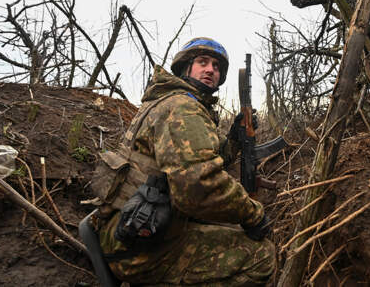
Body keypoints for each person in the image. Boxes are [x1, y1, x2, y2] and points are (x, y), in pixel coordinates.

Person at [94, 37, 275, 286]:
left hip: (130, 230)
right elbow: (200, 184)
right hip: (141, 250)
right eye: (203, 62)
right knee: (262, 256)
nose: (211, 69)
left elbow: (197, 158)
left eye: (216, 66)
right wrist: (253, 214)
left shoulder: (168, 100)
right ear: (185, 68)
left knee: (231, 229)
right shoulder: (182, 108)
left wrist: (233, 139)